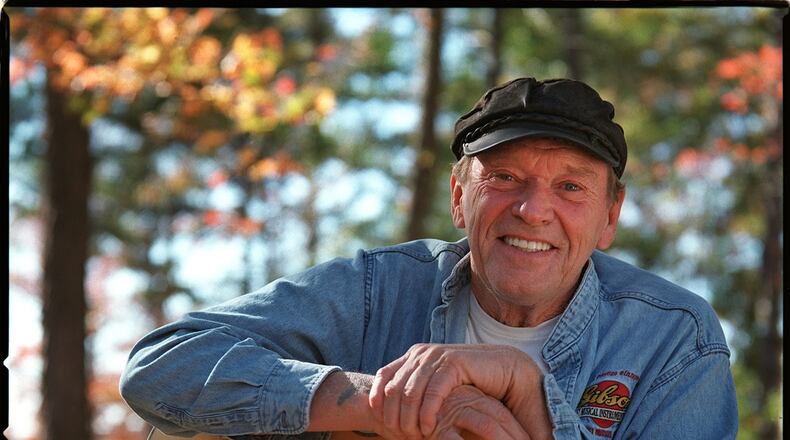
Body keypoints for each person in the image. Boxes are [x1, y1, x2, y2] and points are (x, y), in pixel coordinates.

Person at [120, 77, 738, 440]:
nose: (532, 209)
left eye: (571, 186)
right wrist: (378, 402)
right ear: (459, 197)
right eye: (503, 177)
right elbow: (160, 365)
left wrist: (530, 395)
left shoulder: (673, 337)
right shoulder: (376, 288)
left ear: (610, 215)